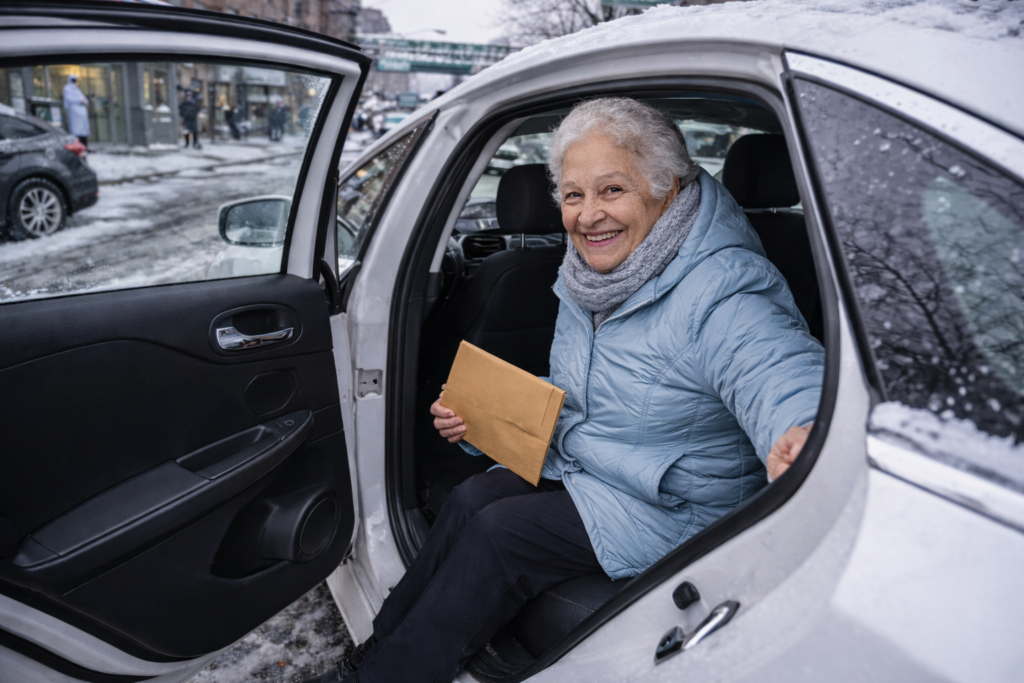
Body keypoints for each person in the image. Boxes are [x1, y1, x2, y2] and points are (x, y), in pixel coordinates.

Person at [306, 97, 825, 683]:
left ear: (668, 189)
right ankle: (380, 649)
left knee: (501, 536)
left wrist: (800, 430)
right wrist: (481, 421)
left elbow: (775, 367)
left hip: (681, 504)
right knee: (472, 498)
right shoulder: (591, 275)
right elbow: (591, 391)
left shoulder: (723, 288)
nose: (588, 215)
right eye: (574, 195)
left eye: (612, 190)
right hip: (606, 469)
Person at [62, 74, 90, 148]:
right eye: (77, 81)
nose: (78, 83)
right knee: (76, 132)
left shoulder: (77, 90)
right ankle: (78, 147)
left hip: (81, 115)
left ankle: (84, 147)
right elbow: (69, 99)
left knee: (83, 132)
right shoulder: (67, 88)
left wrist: (84, 101)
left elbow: (84, 99)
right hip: (74, 114)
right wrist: (80, 101)